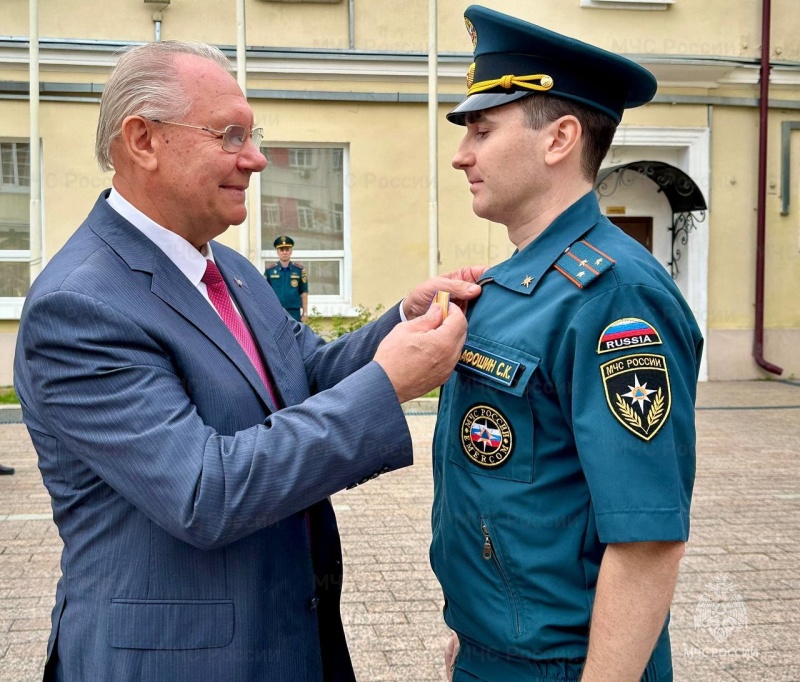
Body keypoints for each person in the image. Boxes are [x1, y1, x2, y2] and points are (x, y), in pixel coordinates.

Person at [13, 40, 485, 682]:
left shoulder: (226, 268)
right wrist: (389, 381)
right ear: (143, 140)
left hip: (285, 640)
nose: (256, 159)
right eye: (230, 134)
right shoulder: (81, 305)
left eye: (253, 134)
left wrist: (402, 323)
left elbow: (306, 376)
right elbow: (203, 492)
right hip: (174, 660)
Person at [430, 7, 704, 682]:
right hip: (496, 652)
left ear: (559, 140)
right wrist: (477, 633)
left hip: (567, 665)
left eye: (483, 130)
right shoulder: (517, 284)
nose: (462, 153)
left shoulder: (613, 297)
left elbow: (646, 540)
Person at [264, 235, 308, 322]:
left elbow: (304, 293)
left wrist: (305, 313)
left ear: (291, 251)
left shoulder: (299, 270)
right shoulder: (270, 270)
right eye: (282, 250)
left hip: (294, 311)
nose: (284, 252)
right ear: (278, 252)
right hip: (276, 311)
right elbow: (265, 292)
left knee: (294, 334)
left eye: (287, 249)